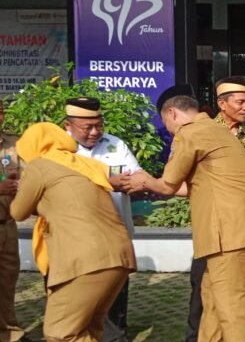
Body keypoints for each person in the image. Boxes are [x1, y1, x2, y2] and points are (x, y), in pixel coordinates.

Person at [125, 85, 245, 341]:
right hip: (238, 229)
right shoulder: (216, 129)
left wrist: (143, 180)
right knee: (211, 302)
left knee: (230, 309)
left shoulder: (190, 133)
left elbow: (168, 185)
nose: (169, 129)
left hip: (227, 233)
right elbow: (200, 185)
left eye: (166, 123)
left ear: (172, 113)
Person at [10, 122, 136, 341]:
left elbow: (18, 211)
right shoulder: (84, 163)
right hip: (119, 254)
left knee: (60, 332)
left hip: (85, 260)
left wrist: (23, 190)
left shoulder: (39, 165)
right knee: (89, 328)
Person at [184, 76, 245, 341]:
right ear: (222, 104)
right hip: (214, 225)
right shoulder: (202, 132)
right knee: (204, 287)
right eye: (240, 102)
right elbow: (186, 177)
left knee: (243, 289)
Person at [63, 97, 142, 342]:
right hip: (77, 237)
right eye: (87, 127)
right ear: (68, 125)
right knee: (81, 295)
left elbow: (137, 177)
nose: (95, 132)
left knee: (115, 292)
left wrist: (130, 182)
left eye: (99, 125)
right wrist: (108, 182)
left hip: (115, 235)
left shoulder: (115, 144)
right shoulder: (59, 150)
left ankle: (116, 335)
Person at [0, 102, 25, 342]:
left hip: (7, 224)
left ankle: (9, 332)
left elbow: (30, 176)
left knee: (7, 281)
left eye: (0, 111)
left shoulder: (14, 144)